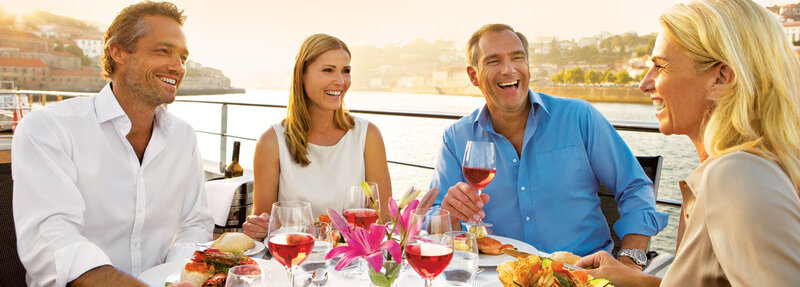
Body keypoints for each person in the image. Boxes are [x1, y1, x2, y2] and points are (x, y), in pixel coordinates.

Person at [575, 0, 800, 285]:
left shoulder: (736, 175)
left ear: (721, 78)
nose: (644, 84)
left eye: (660, 67)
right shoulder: (742, 170)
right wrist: (632, 279)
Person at [430, 24, 668, 268]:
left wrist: (630, 262)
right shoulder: (455, 139)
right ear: (473, 76)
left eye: (517, 58)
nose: (509, 69)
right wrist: (448, 215)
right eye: (493, 61)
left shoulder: (579, 117)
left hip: (582, 276)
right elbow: (433, 220)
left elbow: (635, 187)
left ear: (528, 66)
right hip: (499, 278)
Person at [12, 2, 213, 286]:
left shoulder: (184, 137)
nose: (177, 67)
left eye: (183, 57)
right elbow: (52, 240)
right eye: (163, 51)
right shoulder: (49, 128)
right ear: (118, 51)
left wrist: (176, 277)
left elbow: (194, 224)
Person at [243, 34, 392, 241]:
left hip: (353, 266)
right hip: (294, 261)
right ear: (301, 75)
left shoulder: (368, 136)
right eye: (327, 70)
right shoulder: (271, 141)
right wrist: (257, 227)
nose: (340, 81)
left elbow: (385, 221)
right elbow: (266, 226)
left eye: (346, 71)